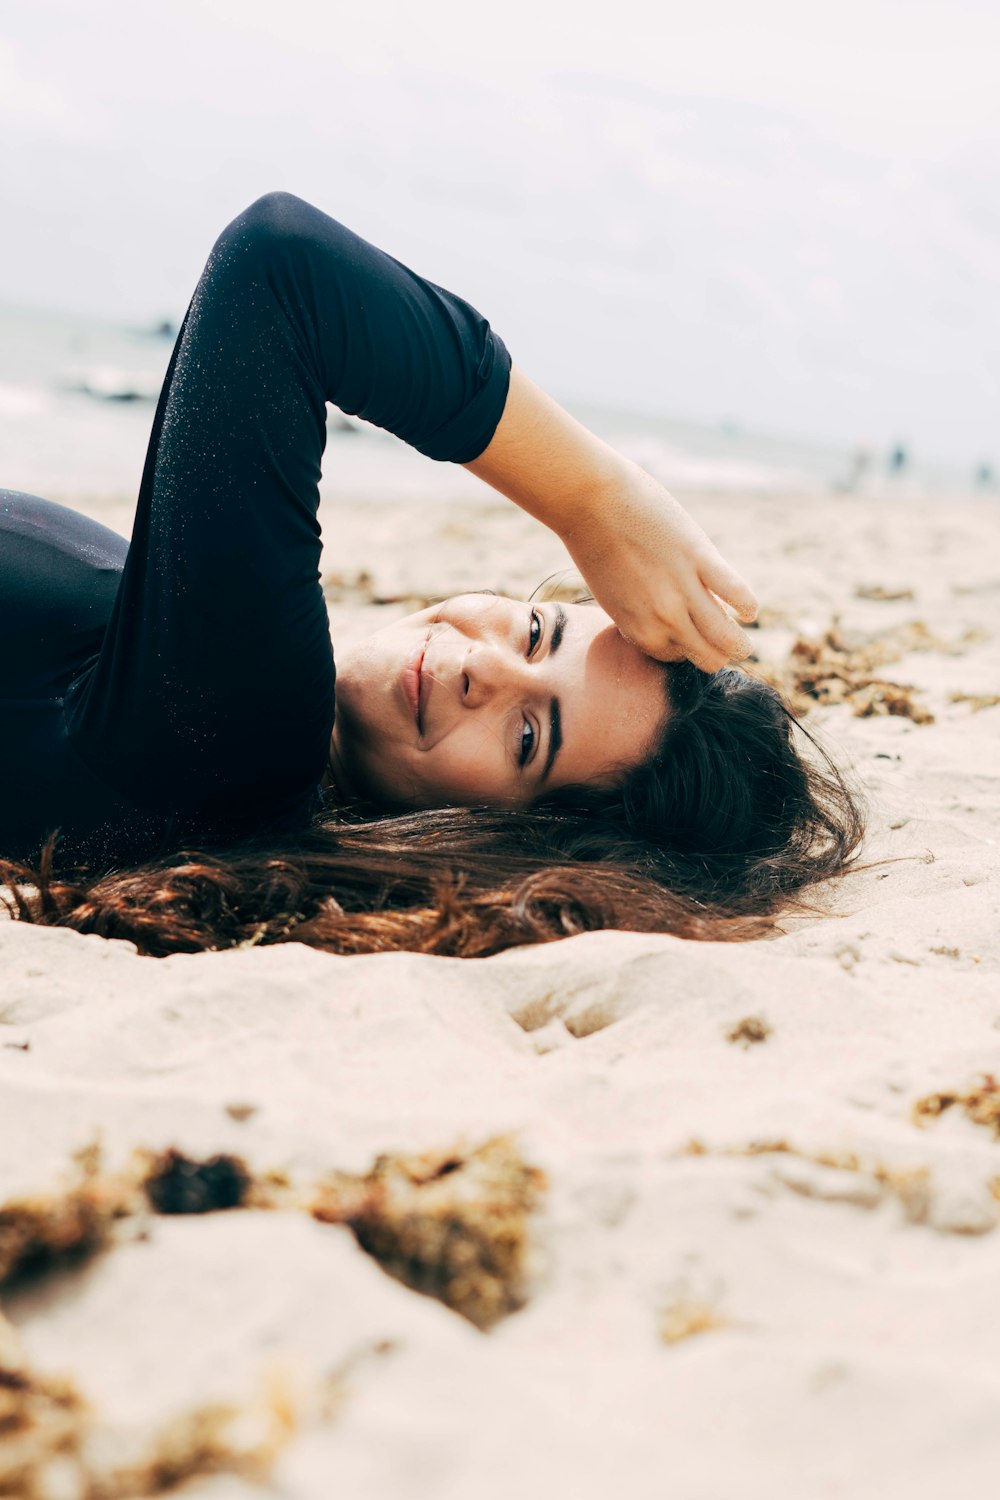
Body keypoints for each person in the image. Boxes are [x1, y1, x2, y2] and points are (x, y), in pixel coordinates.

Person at [0, 193, 863, 957]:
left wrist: (593, 500)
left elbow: (282, 267)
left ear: (492, 843)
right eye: (537, 631)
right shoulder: (209, 724)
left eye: (529, 738)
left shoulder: (242, 735)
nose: (487, 668)